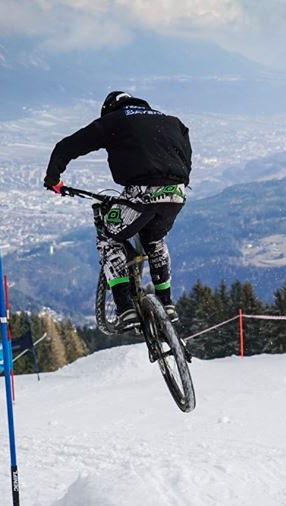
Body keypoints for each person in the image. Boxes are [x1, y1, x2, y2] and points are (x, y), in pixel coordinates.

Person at [43, 91, 192, 332]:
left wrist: (53, 178)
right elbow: (187, 157)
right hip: (177, 192)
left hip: (141, 193)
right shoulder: (172, 122)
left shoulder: (117, 119)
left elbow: (67, 146)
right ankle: (167, 303)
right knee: (155, 239)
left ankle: (125, 309)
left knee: (109, 238)